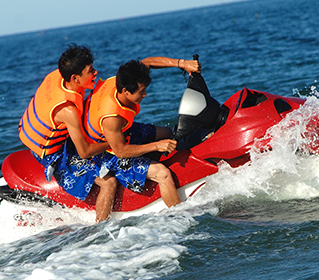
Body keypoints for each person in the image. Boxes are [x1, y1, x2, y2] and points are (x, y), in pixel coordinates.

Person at [18, 44, 117, 222]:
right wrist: (114, 143)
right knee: (108, 182)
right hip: (52, 153)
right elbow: (84, 152)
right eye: (90, 71)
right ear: (75, 78)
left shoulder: (57, 75)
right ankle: (101, 230)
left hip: (41, 134)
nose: (95, 73)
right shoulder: (68, 110)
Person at [84, 57, 200, 208]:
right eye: (141, 91)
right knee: (162, 173)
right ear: (125, 91)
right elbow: (120, 151)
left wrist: (182, 64)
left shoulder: (122, 81)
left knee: (167, 132)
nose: (145, 95)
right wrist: (156, 146)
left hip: (124, 132)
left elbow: (146, 62)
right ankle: (180, 217)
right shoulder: (111, 119)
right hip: (107, 152)